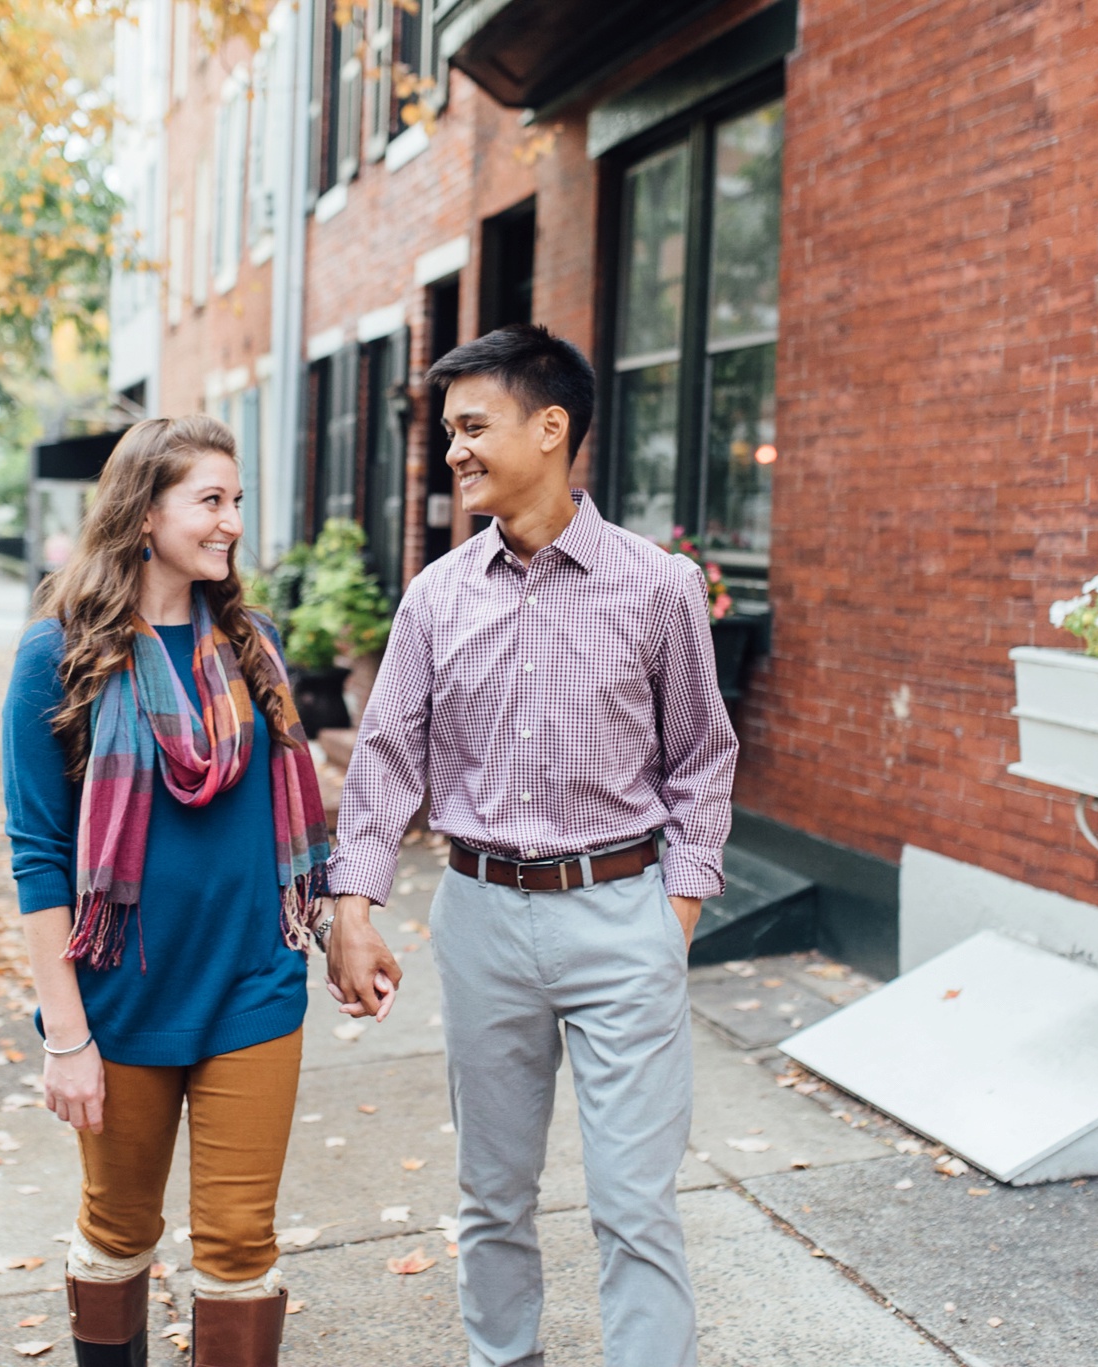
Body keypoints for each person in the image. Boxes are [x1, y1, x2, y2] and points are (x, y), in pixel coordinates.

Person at [324, 324, 739, 1367]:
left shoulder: (656, 585)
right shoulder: (435, 594)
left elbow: (701, 756)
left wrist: (673, 915)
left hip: (620, 911)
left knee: (635, 1203)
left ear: (550, 428)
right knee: (492, 1195)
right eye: (449, 429)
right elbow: (385, 760)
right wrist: (352, 906)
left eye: (473, 425)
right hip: (479, 917)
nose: (454, 448)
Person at [2, 415, 330, 1367]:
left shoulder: (252, 643)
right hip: (124, 1000)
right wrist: (66, 1039)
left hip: (253, 988)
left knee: (239, 1249)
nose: (232, 523)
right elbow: (38, 861)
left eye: (237, 502)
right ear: (145, 513)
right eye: (211, 501)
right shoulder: (56, 655)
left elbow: (284, 819)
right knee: (118, 1232)